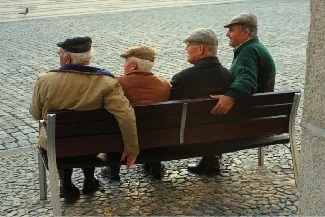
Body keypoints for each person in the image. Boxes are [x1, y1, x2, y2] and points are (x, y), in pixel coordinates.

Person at [29, 36, 139, 198]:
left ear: (66, 57)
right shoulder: (106, 81)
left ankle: (66, 183)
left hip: (57, 146)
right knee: (88, 138)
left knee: (58, 136)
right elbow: (126, 115)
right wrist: (132, 148)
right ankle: (89, 180)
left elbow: (36, 114)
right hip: (93, 146)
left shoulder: (45, 80)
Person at [101, 45, 170, 180]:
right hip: (156, 140)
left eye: (125, 62)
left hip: (119, 142)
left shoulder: (116, 84)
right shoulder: (164, 85)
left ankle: (113, 170)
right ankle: (155, 167)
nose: (124, 66)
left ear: (133, 65)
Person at [170, 28, 233, 174]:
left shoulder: (182, 78)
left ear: (200, 48)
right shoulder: (228, 77)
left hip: (186, 141)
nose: (186, 48)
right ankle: (211, 160)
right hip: (224, 138)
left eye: (189, 45)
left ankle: (153, 164)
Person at [210, 13, 276, 115]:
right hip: (263, 111)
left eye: (231, 30)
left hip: (252, 115)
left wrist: (230, 96)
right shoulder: (257, 47)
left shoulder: (248, 51)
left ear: (245, 32)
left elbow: (246, 78)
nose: (227, 34)